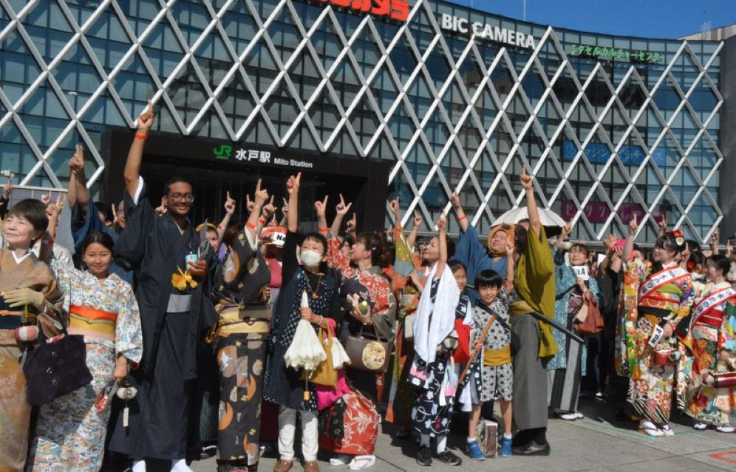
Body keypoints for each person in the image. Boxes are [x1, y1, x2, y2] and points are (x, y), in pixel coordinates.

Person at [107, 103, 214, 472]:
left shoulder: (199, 238)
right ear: (165, 199)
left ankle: (175, 456)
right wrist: (141, 133)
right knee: (142, 387)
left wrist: (202, 274)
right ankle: (137, 456)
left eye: (188, 196)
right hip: (151, 318)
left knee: (177, 391)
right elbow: (130, 178)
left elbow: (205, 280)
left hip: (183, 326)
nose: (183, 200)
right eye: (176, 195)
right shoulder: (152, 223)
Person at [26, 231, 143, 472]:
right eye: (91, 255)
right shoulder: (72, 280)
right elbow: (46, 267)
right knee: (54, 424)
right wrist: (51, 228)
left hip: (101, 366)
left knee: (91, 427)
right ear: (83, 255)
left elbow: (128, 326)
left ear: (112, 255)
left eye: (103, 254)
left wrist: (123, 362)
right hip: (68, 361)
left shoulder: (121, 288)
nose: (97, 260)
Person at [263, 173, 342, 472]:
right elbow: (292, 230)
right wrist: (294, 194)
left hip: (314, 352)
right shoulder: (293, 270)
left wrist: (318, 318)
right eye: (306, 245)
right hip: (286, 344)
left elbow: (338, 319)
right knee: (285, 403)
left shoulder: (330, 283)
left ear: (323, 257)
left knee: (309, 406)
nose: (308, 248)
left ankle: (309, 457)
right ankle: (285, 455)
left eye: (315, 247)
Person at [323, 197, 396, 470]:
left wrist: (370, 318)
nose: (352, 247)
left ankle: (364, 448)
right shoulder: (347, 272)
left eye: (357, 245)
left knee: (363, 395)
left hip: (367, 343)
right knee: (340, 392)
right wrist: (338, 216)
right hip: (344, 338)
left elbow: (389, 315)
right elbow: (331, 249)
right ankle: (343, 445)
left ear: (369, 253)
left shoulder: (380, 282)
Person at [209, 181, 274, 472]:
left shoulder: (253, 259)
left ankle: (247, 461)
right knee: (233, 398)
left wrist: (263, 218)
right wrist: (257, 208)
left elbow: (253, 244)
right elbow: (245, 244)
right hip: (234, 338)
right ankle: (231, 461)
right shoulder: (230, 263)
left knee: (251, 402)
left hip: (255, 338)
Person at [0, 199, 64, 472]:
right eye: (10, 219)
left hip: (17, 356)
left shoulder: (42, 271)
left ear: (37, 233)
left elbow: (58, 320)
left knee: (11, 426)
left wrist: (38, 300)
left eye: (21, 221)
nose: (12, 225)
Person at [619, 221, 694, 436]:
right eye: (657, 246)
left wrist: (672, 325)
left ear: (673, 253)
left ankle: (659, 417)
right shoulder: (648, 268)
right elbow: (627, 260)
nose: (657, 250)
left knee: (663, 375)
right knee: (645, 372)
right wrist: (631, 234)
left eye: (662, 247)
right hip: (646, 326)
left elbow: (687, 304)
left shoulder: (683, 277)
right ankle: (644, 418)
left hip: (667, 328)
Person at [507, 168, 557, 456]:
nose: (518, 232)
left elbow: (536, 224)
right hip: (521, 323)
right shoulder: (523, 260)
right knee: (522, 379)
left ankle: (538, 439)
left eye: (521, 229)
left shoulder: (540, 260)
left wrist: (529, 192)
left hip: (532, 324)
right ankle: (525, 433)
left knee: (530, 380)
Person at [410, 215, 462, 467]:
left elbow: (442, 258)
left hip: (444, 352)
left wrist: (442, 230)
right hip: (428, 350)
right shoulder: (432, 276)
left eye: (434, 243)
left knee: (444, 399)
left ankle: (440, 447)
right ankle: (423, 445)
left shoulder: (444, 274)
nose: (428, 246)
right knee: (426, 398)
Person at [465, 261, 515, 460]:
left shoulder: (503, 302)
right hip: (484, 362)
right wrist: (473, 343)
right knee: (479, 401)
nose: (488, 292)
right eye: (484, 288)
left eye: (492, 287)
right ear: (477, 289)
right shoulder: (474, 310)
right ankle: (471, 440)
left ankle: (508, 437)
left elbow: (509, 281)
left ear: (497, 288)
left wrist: (510, 255)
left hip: (504, 361)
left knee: (506, 399)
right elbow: (470, 336)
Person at [547, 238, 601, 420]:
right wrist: (560, 246)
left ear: (587, 258)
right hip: (561, 324)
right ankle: (559, 407)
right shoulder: (562, 271)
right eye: (573, 251)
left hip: (578, 327)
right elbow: (554, 287)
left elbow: (597, 302)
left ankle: (569, 405)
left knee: (575, 366)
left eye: (580, 252)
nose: (575, 254)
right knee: (559, 364)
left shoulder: (591, 280)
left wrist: (584, 288)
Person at [683, 255, 736, 432]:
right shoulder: (706, 287)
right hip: (699, 340)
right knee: (700, 376)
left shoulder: (729, 293)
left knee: (717, 378)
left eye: (710, 267)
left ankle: (722, 419)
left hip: (715, 340)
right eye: (706, 266)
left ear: (720, 271)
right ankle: (702, 415)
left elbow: (731, 322)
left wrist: (726, 347)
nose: (706, 270)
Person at [450, 193, 511, 304]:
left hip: (494, 305)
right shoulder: (481, 252)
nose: (496, 239)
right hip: (468, 299)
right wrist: (458, 208)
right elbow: (469, 233)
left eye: (502, 238)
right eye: (494, 236)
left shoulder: (511, 261)